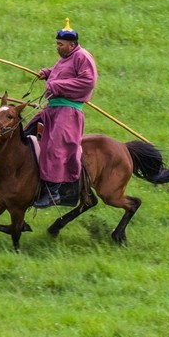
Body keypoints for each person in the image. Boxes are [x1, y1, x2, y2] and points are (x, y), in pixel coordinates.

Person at [28, 18, 98, 208]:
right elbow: (61, 73)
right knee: (26, 133)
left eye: (60, 44)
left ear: (72, 44)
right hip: (52, 108)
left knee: (55, 147)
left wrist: (55, 84)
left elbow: (88, 82)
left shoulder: (83, 57)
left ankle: (54, 192)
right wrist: (47, 73)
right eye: (57, 44)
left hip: (68, 111)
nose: (57, 47)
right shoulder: (65, 58)